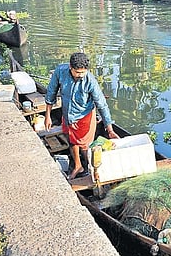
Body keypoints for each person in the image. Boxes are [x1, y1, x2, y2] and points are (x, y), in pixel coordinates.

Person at [44, 52, 120, 180]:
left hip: (84, 116)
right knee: (71, 139)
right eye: (77, 72)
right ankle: (78, 166)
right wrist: (48, 115)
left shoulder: (90, 81)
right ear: (70, 67)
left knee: (85, 146)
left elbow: (102, 105)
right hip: (67, 114)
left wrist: (110, 129)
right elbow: (51, 92)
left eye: (83, 73)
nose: (80, 75)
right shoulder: (60, 72)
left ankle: (91, 168)